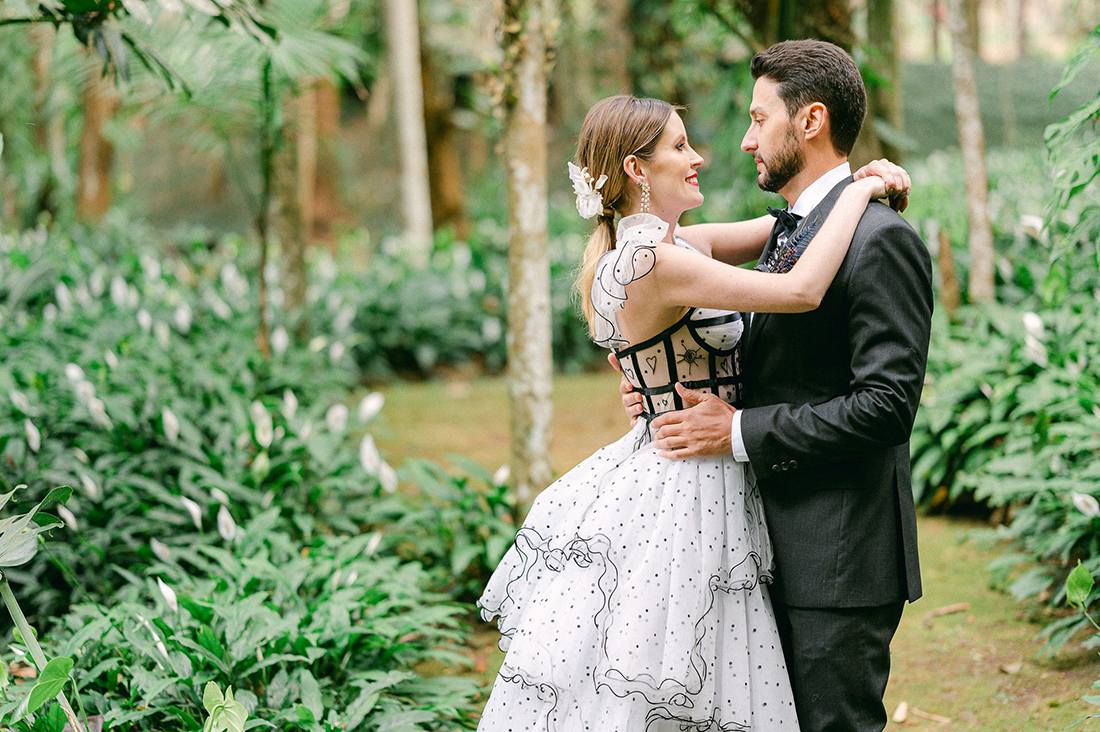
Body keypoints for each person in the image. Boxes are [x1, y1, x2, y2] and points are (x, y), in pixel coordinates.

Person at [476, 90, 910, 732]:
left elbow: (791, 226)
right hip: (688, 485)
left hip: (702, 463)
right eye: (680, 146)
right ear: (635, 169)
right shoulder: (652, 262)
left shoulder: (679, 246)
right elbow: (799, 287)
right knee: (683, 671)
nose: (698, 155)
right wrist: (859, 192)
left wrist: (855, 179)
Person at [621, 40, 934, 732]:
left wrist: (734, 431)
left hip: (838, 558)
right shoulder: (797, 229)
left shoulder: (879, 239)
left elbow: (886, 407)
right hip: (768, 542)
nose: (744, 139)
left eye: (760, 119)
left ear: (811, 121)